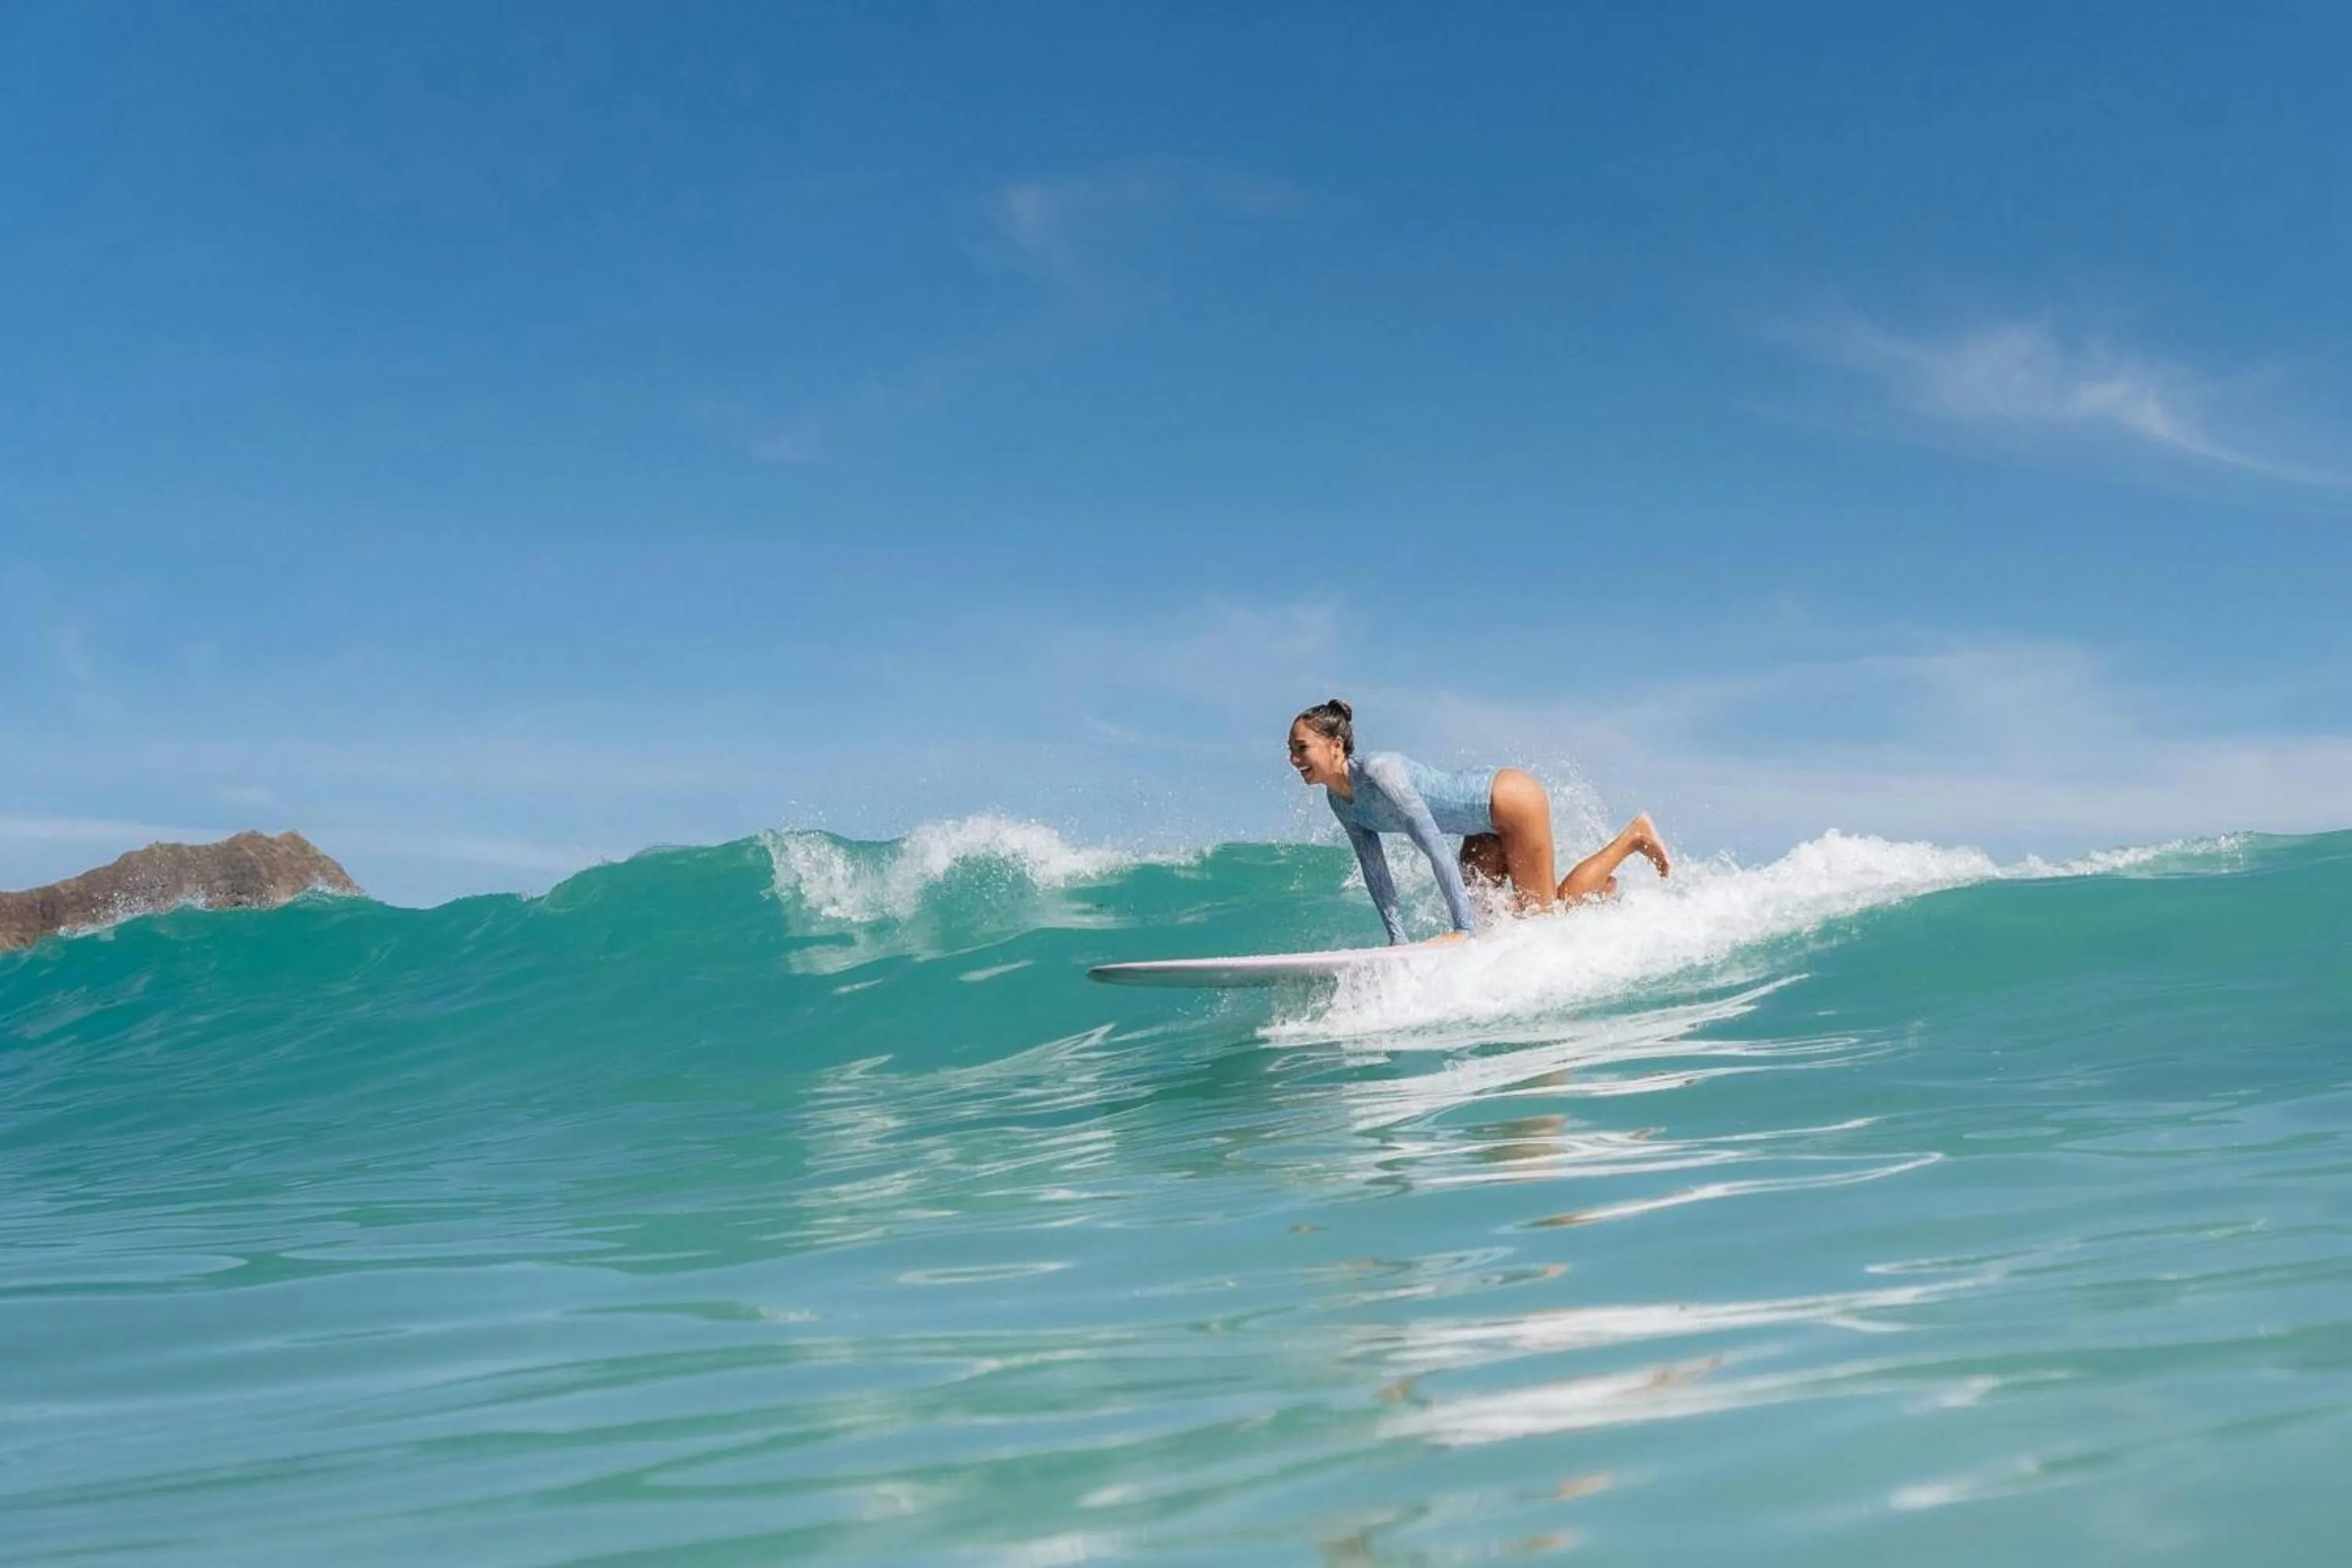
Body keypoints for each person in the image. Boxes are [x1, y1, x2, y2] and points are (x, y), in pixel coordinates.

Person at [1287, 698, 1671, 946]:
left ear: (1336, 745)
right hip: (1480, 825)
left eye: (1301, 748)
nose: (1294, 759)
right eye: (1291, 750)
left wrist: (1461, 930)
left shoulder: (1380, 771)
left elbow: (1433, 843)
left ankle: (1633, 837)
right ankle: (1598, 892)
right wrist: (1397, 941)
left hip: (1509, 800)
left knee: (1541, 921)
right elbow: (1376, 872)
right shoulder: (1340, 802)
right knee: (1497, 926)